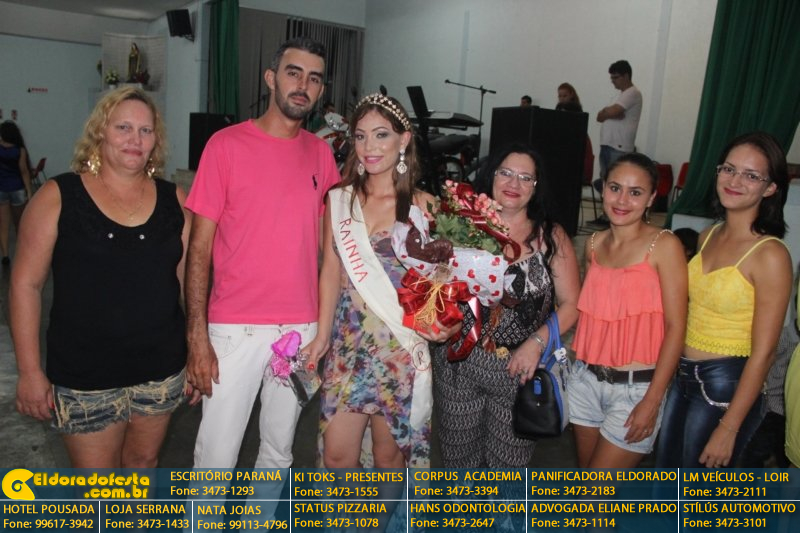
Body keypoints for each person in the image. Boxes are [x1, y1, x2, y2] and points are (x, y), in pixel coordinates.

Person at [10, 87, 190, 468]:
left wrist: (198, 350)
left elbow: (192, 285)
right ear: (100, 132)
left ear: (156, 140)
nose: (135, 139)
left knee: (143, 465)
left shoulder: (175, 200)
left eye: (145, 130)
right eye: (123, 127)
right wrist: (29, 371)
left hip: (160, 370)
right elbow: (25, 285)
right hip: (84, 376)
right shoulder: (58, 196)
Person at [185, 36, 340, 468]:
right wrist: (196, 335)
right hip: (235, 329)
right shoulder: (225, 145)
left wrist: (324, 330)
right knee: (215, 456)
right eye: (293, 73)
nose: (302, 86)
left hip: (301, 330)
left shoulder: (322, 155)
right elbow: (198, 249)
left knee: (278, 452)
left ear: (321, 90)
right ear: (271, 78)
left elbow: (332, 251)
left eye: (314, 79)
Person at [304, 93, 454, 471]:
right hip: (348, 343)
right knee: (337, 456)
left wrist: (441, 322)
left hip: (398, 347)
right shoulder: (339, 201)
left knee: (389, 457)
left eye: (381, 135)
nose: (369, 146)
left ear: (404, 140)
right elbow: (331, 271)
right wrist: (321, 336)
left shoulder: (425, 206)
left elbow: (443, 282)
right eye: (360, 136)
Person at [432, 142, 581, 468]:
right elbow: (435, 286)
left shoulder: (550, 236)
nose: (514, 184)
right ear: (491, 175)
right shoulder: (462, 225)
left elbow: (572, 304)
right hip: (459, 365)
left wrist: (536, 342)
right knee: (459, 468)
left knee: (508, 472)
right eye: (506, 173)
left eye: (526, 178)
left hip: (519, 369)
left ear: (536, 187)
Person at [656, 131, 793, 468]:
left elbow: (765, 352)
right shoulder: (709, 235)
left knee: (699, 494)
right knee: (668, 483)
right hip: (683, 375)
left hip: (726, 384)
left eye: (751, 175)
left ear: (770, 188)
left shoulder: (770, 255)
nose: (735, 181)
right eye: (729, 169)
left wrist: (729, 427)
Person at [569, 153, 687, 468]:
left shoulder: (665, 245)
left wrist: (653, 400)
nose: (622, 200)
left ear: (651, 198)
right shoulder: (593, 244)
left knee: (594, 491)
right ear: (603, 189)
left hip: (636, 391)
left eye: (635, 192)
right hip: (585, 381)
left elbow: (676, 327)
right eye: (615, 188)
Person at [593, 60, 642, 197]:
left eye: (615, 77)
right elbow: (599, 116)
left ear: (626, 76)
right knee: (606, 182)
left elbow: (614, 111)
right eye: (611, 78)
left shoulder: (633, 93)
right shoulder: (618, 95)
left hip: (619, 147)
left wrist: (610, 112)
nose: (613, 81)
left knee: (615, 182)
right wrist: (608, 112)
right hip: (608, 144)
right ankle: (606, 209)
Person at [0, 121, 33, 265]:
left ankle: (5, 255)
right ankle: (21, 254)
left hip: (1, 188)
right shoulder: (20, 150)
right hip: (17, 189)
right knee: (19, 223)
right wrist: (29, 191)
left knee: (3, 225)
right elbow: (24, 171)